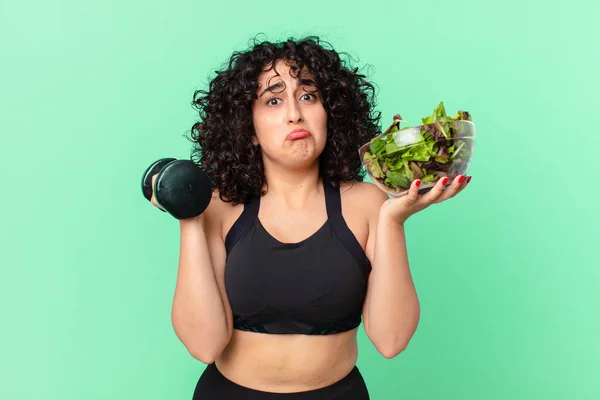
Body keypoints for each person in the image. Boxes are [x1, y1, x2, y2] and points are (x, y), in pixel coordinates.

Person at [149, 36, 471, 399]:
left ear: (330, 112)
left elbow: (391, 340)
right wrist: (189, 214)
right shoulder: (219, 207)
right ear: (247, 129)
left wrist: (392, 221)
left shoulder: (367, 203)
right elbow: (204, 346)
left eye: (308, 96)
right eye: (273, 100)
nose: (294, 113)